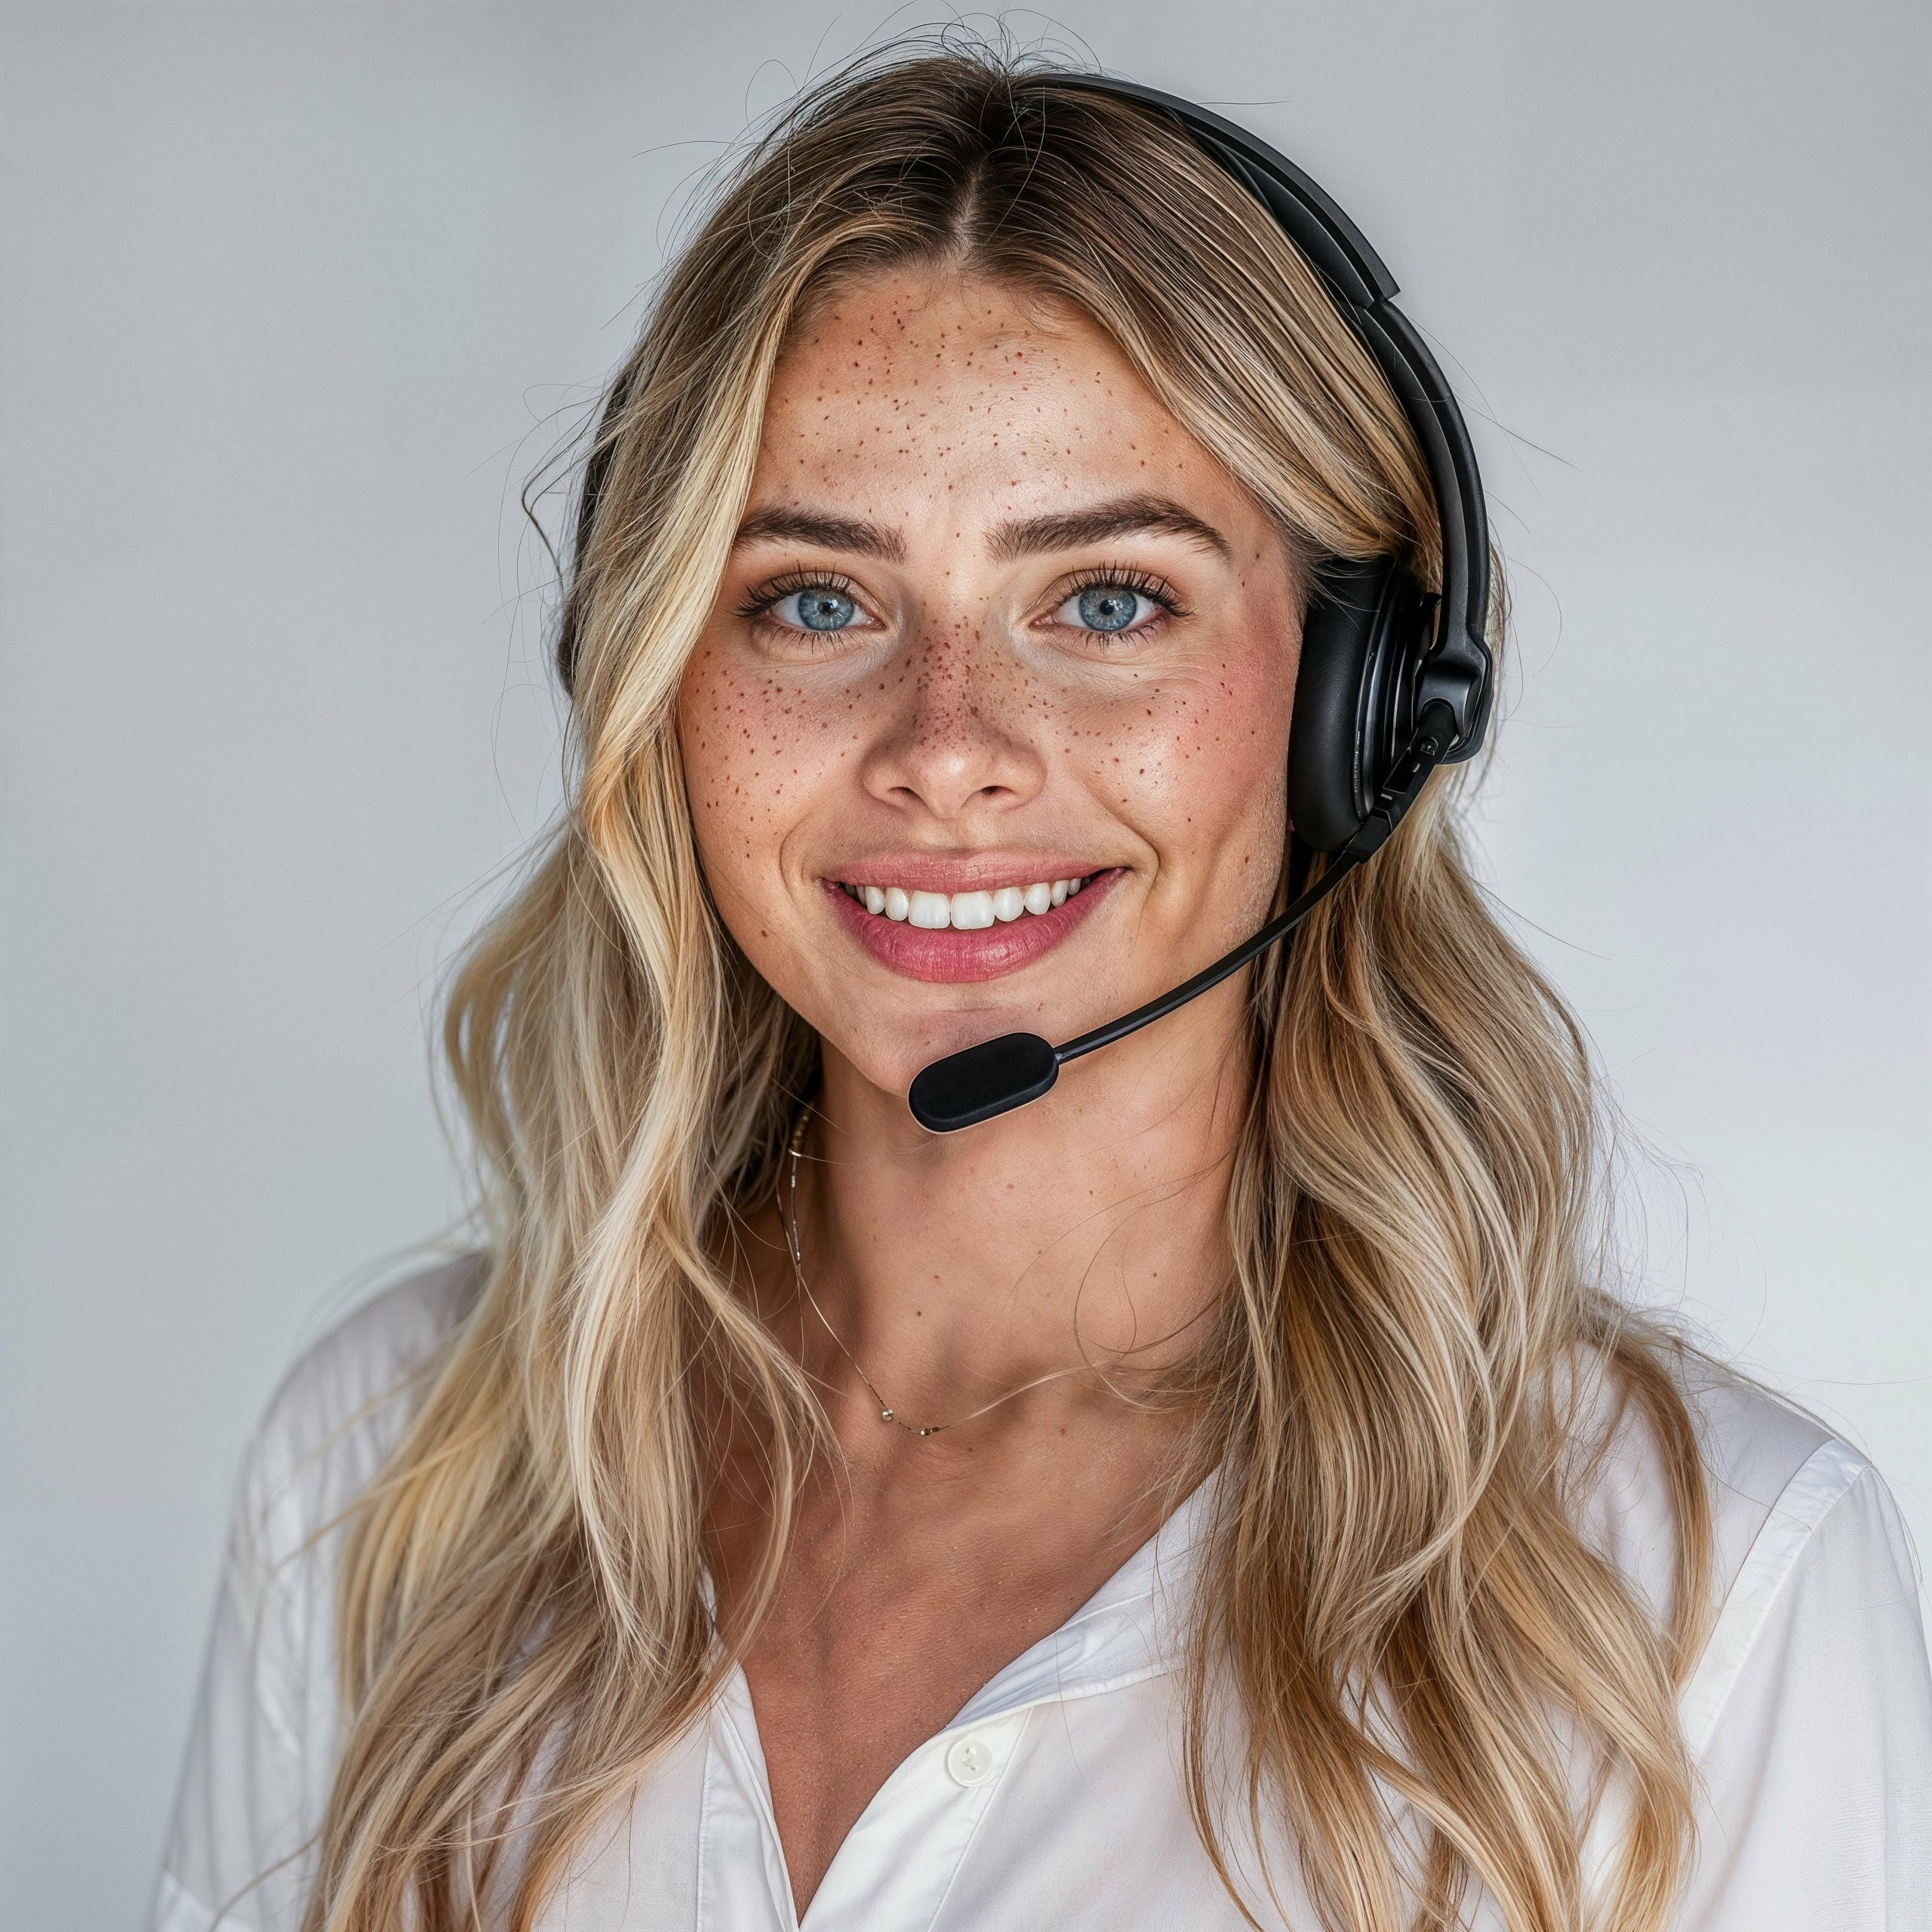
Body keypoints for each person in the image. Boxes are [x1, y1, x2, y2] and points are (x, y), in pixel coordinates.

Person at [151, 48, 1930, 1932]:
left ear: (1363, 711)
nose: (946, 750)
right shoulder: (395, 1465)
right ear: (657, 677)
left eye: (1103, 602)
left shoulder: (1689, 1593)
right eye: (814, 602)